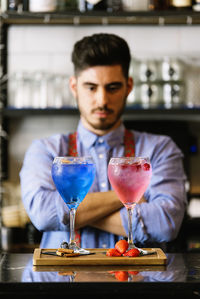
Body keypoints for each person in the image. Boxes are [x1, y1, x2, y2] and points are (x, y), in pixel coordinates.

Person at [20, 33, 187, 249]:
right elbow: (43, 215)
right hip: (60, 282)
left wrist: (72, 214)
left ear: (128, 86)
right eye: (91, 87)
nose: (102, 100)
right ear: (74, 87)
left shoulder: (160, 149)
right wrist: (132, 196)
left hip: (141, 282)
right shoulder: (45, 151)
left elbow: (165, 223)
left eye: (113, 87)